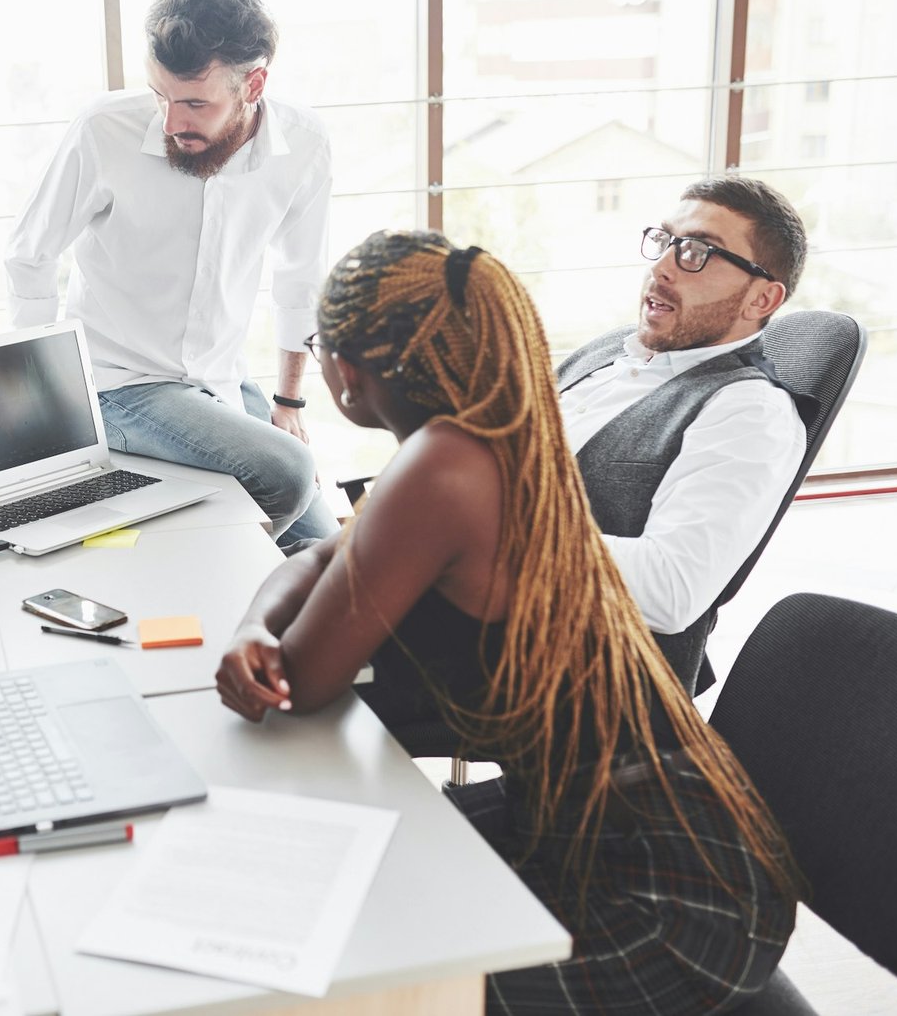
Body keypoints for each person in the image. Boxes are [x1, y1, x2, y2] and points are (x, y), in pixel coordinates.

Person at [217, 230, 800, 1013]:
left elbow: (308, 680)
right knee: (333, 887)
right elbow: (323, 561)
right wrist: (253, 624)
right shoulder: (489, 440)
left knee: (361, 976)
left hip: (668, 899)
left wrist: (269, 643)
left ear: (347, 372)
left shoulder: (442, 470)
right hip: (621, 828)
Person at [5, 0, 338, 549]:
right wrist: (53, 401)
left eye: (193, 103)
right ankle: (213, 567)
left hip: (220, 379)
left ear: (253, 86)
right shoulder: (103, 130)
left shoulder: (304, 146)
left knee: (330, 553)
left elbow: (299, 280)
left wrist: (288, 402)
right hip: (119, 385)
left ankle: (224, 575)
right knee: (287, 474)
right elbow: (29, 256)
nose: (170, 122)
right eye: (160, 95)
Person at [559, 177, 810, 693]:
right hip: (463, 598)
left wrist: (488, 537)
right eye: (665, 241)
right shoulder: (610, 352)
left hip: (581, 667)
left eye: (697, 251)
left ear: (762, 297)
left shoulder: (750, 412)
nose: (662, 267)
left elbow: (669, 591)